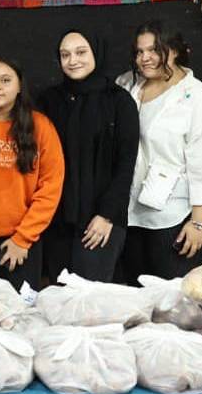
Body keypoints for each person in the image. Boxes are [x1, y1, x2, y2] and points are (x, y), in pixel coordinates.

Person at [116, 21, 202, 281]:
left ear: (174, 50)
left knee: (172, 302)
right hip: (130, 213)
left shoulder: (198, 98)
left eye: (154, 50)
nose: (145, 58)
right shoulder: (127, 85)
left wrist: (198, 222)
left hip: (174, 216)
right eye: (139, 52)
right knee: (136, 298)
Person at [36, 29, 139, 283]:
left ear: (96, 52)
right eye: (65, 54)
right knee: (57, 303)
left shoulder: (119, 101)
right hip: (55, 222)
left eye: (81, 52)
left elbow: (126, 164)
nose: (73, 61)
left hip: (100, 222)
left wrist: (107, 216)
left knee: (90, 308)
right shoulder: (48, 101)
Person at [0, 57, 65, 290]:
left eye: (5, 80)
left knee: (18, 316)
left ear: (19, 87)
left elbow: (50, 189)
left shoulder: (41, 127)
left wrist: (23, 238)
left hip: (20, 241)